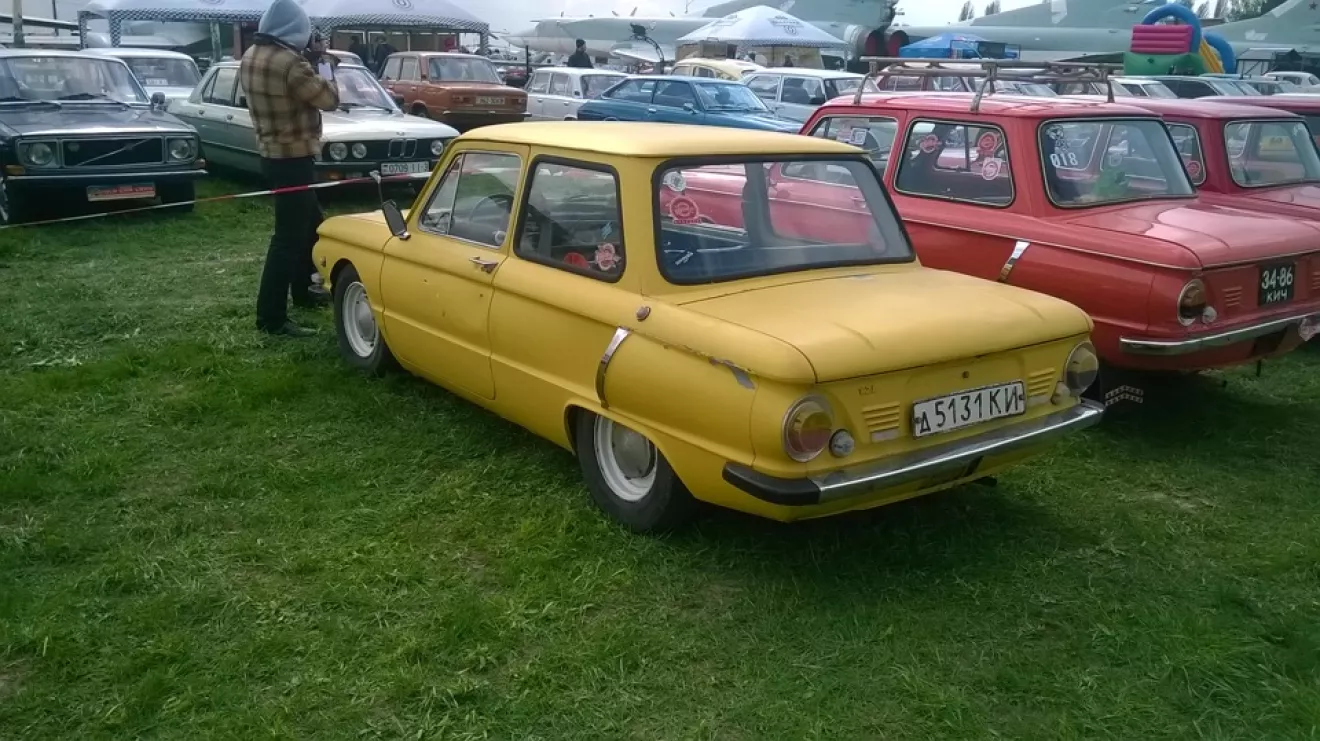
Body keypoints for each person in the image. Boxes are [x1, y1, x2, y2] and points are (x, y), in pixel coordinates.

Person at [241, 0, 340, 337]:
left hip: (271, 154)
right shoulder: (292, 63)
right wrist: (323, 63)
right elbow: (329, 99)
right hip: (294, 157)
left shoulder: (252, 55)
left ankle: (303, 290)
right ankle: (271, 318)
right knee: (287, 238)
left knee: (311, 226)